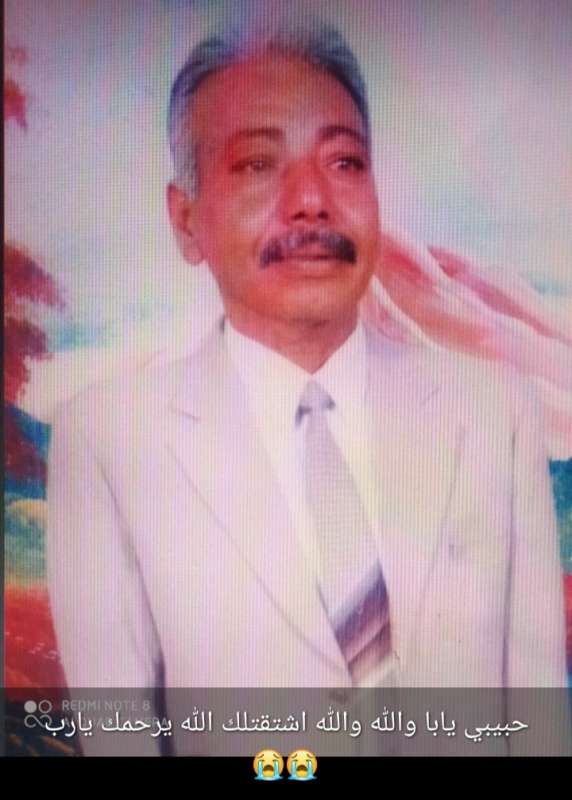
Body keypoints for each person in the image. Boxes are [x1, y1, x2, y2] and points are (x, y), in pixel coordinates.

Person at [46, 16, 568, 709]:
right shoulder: (108, 441)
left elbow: (537, 718)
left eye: (343, 162)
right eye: (258, 165)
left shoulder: (495, 413)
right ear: (185, 219)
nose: (312, 201)